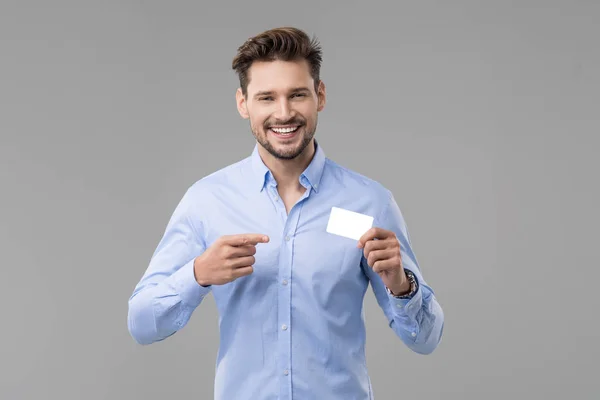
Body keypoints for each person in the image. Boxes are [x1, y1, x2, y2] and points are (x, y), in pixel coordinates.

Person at [127, 26, 444, 399]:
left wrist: (401, 285)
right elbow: (142, 324)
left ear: (319, 96)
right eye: (266, 98)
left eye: (297, 95)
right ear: (243, 103)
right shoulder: (207, 201)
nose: (284, 113)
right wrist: (197, 275)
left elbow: (427, 340)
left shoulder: (370, 202)